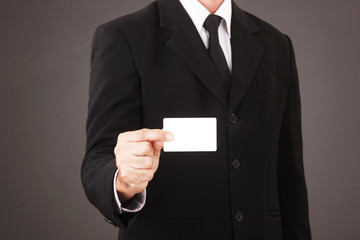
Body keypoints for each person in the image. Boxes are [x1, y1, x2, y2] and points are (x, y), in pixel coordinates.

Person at [81, 0, 312, 239]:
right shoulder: (124, 36)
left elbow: (289, 170)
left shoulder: (276, 44)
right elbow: (98, 159)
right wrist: (124, 181)